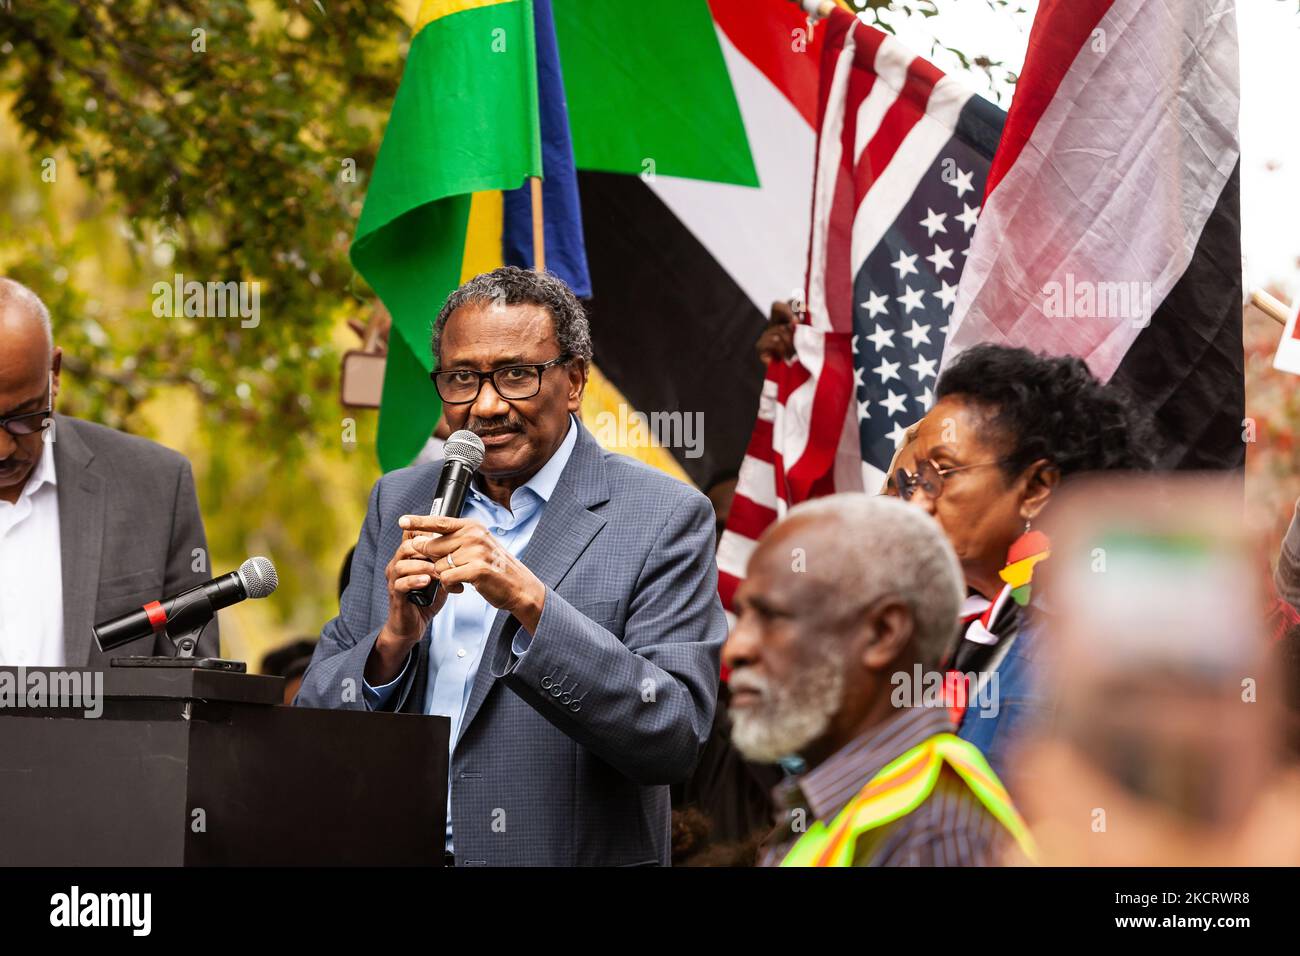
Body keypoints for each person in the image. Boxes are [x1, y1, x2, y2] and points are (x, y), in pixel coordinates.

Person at [295, 266, 726, 866]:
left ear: (574, 380)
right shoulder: (399, 501)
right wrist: (391, 644)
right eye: (462, 378)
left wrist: (533, 605)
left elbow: (672, 737)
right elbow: (314, 720)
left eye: (517, 375)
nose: (487, 405)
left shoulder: (663, 516)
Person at [886, 343, 1152, 782]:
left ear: (1035, 488)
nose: (915, 505)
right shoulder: (930, 631)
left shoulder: (1086, 650)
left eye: (941, 475)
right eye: (913, 480)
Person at [725, 493, 1035, 866]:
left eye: (772, 617)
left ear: (883, 633)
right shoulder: (848, 801)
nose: (734, 649)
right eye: (741, 616)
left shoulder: (937, 835)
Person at [0, 278, 216, 665]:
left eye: (22, 417)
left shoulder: (157, 489)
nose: (2, 448)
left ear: (55, 372)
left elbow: (193, 692)